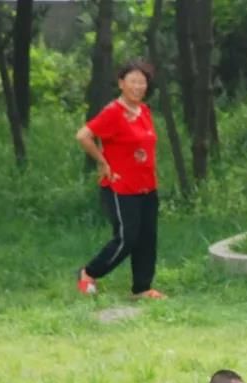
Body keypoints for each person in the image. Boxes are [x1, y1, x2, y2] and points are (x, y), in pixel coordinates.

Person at [75, 59, 166, 300]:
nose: (138, 86)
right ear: (121, 84)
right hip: (121, 186)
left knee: (147, 239)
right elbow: (84, 136)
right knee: (127, 238)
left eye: (142, 82)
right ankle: (88, 273)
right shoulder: (113, 112)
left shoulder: (144, 111)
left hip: (147, 186)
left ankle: (142, 288)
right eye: (133, 81)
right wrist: (102, 161)